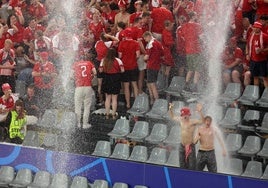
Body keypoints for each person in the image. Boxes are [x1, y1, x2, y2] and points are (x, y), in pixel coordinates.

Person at [169, 103, 204, 170]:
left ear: (188, 115)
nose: (184, 117)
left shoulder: (192, 122)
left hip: (190, 146)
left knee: (191, 166)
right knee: (182, 165)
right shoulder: (181, 120)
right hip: (182, 145)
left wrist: (200, 112)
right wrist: (170, 109)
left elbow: (202, 121)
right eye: (183, 115)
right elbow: (172, 117)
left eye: (185, 115)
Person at [72, 55, 97, 129]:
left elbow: (71, 76)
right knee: (87, 106)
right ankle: (85, 124)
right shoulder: (89, 63)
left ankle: (78, 123)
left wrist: (77, 79)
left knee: (78, 106)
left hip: (78, 87)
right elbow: (95, 73)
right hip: (88, 87)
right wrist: (90, 77)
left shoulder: (75, 64)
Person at [118, 28, 140, 109]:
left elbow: (120, 56)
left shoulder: (122, 43)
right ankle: (137, 103)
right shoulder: (136, 43)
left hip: (125, 67)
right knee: (134, 85)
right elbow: (137, 55)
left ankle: (128, 104)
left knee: (126, 86)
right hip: (133, 66)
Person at [99, 48, 124, 120]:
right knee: (114, 98)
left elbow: (100, 70)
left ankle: (107, 114)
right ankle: (113, 114)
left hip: (106, 78)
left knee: (107, 98)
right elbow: (122, 70)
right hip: (115, 79)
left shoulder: (104, 60)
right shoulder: (118, 60)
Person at [143, 31, 164, 105]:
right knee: (150, 83)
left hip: (151, 65)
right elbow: (162, 55)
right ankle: (152, 100)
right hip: (157, 66)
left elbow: (146, 57)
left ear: (148, 36)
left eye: (145, 38)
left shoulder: (151, 44)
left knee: (152, 84)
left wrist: (143, 58)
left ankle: (156, 101)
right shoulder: (158, 43)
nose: (145, 40)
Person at [246, 21, 268, 88]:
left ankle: (267, 94)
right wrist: (247, 54)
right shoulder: (251, 35)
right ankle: (255, 94)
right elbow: (247, 45)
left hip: (262, 60)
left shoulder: (265, 36)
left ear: (260, 28)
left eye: (257, 27)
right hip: (253, 60)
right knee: (255, 77)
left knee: (265, 78)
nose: (255, 29)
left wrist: (262, 50)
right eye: (254, 27)